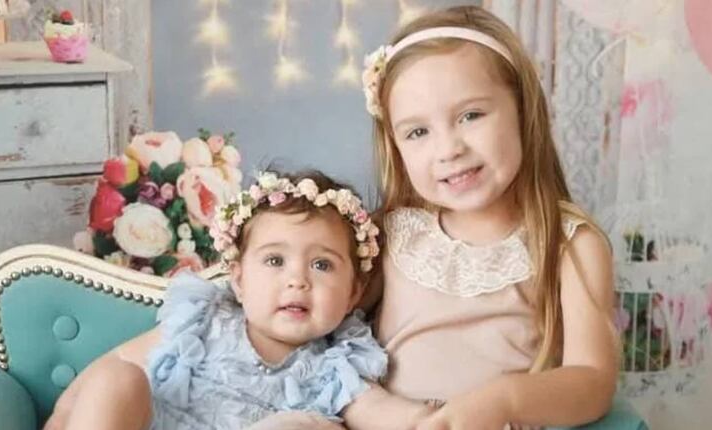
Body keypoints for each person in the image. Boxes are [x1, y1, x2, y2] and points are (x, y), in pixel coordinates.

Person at [342, 6, 620, 430]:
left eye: (470, 115)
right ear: (395, 146)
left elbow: (594, 380)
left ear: (523, 111)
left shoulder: (569, 244)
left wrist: (505, 400)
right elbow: (324, 330)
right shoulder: (393, 235)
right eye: (418, 132)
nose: (449, 149)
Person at [45, 170, 387, 430]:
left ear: (352, 293)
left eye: (322, 265)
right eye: (274, 260)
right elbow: (115, 363)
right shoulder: (206, 321)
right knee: (118, 379)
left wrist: (417, 418)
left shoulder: (338, 363)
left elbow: (380, 411)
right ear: (238, 280)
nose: (297, 280)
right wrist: (61, 418)